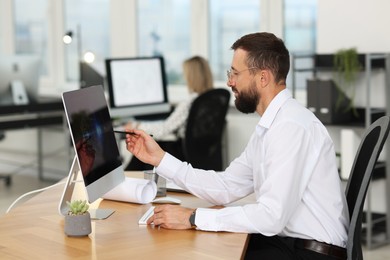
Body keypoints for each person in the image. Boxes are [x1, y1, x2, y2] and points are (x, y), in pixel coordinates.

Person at [125, 32, 349, 260]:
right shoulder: (271, 126)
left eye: (235, 73)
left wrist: (192, 217)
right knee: (204, 243)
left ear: (263, 78)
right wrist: (160, 159)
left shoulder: (290, 127)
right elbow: (226, 186)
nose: (229, 81)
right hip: (289, 242)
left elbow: (271, 216)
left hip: (310, 252)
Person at [124, 55, 214, 170]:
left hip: (180, 153)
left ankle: (126, 177)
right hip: (197, 153)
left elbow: (163, 130)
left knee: (148, 144)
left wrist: (136, 126)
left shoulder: (190, 102)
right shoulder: (209, 99)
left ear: (192, 77)